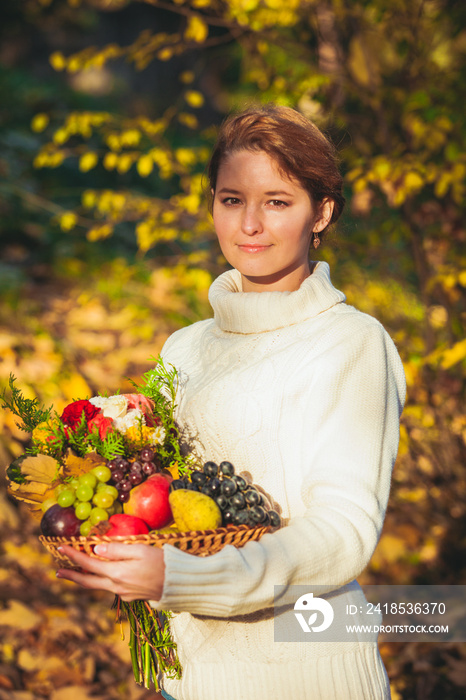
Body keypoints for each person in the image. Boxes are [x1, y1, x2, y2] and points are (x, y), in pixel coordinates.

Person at [57, 104, 406, 700]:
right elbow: (171, 502)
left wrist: (183, 577)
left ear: (321, 212)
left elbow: (343, 532)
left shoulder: (351, 342)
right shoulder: (186, 345)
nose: (249, 224)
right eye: (231, 199)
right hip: (185, 677)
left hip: (302, 678)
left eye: (277, 201)